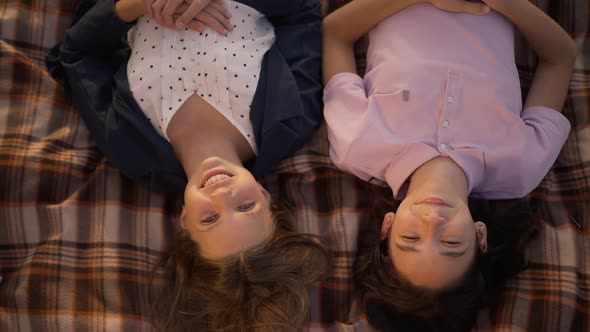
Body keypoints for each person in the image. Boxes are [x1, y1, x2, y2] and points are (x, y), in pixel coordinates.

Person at [47, 0, 329, 330]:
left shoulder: (132, 151)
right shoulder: (293, 118)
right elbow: (303, 11)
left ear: (184, 221)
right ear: (267, 198)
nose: (222, 194)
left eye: (210, 218)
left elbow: (77, 54)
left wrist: (135, 5)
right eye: (246, 205)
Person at [322, 0, 575, 330]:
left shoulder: (356, 144)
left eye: (410, 239)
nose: (432, 221)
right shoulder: (521, 167)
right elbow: (560, 58)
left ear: (387, 227)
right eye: (452, 244)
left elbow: (334, 34)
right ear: (480, 236)